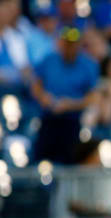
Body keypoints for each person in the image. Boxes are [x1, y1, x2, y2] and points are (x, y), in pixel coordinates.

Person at [31, 26, 99, 164]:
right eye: (66, 42)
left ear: (79, 44)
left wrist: (71, 104)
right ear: (60, 42)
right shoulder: (49, 60)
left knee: (70, 159)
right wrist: (43, 97)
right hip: (48, 117)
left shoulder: (88, 64)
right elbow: (36, 84)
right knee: (40, 156)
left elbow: (94, 97)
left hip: (73, 120)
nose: (69, 47)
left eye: (73, 43)